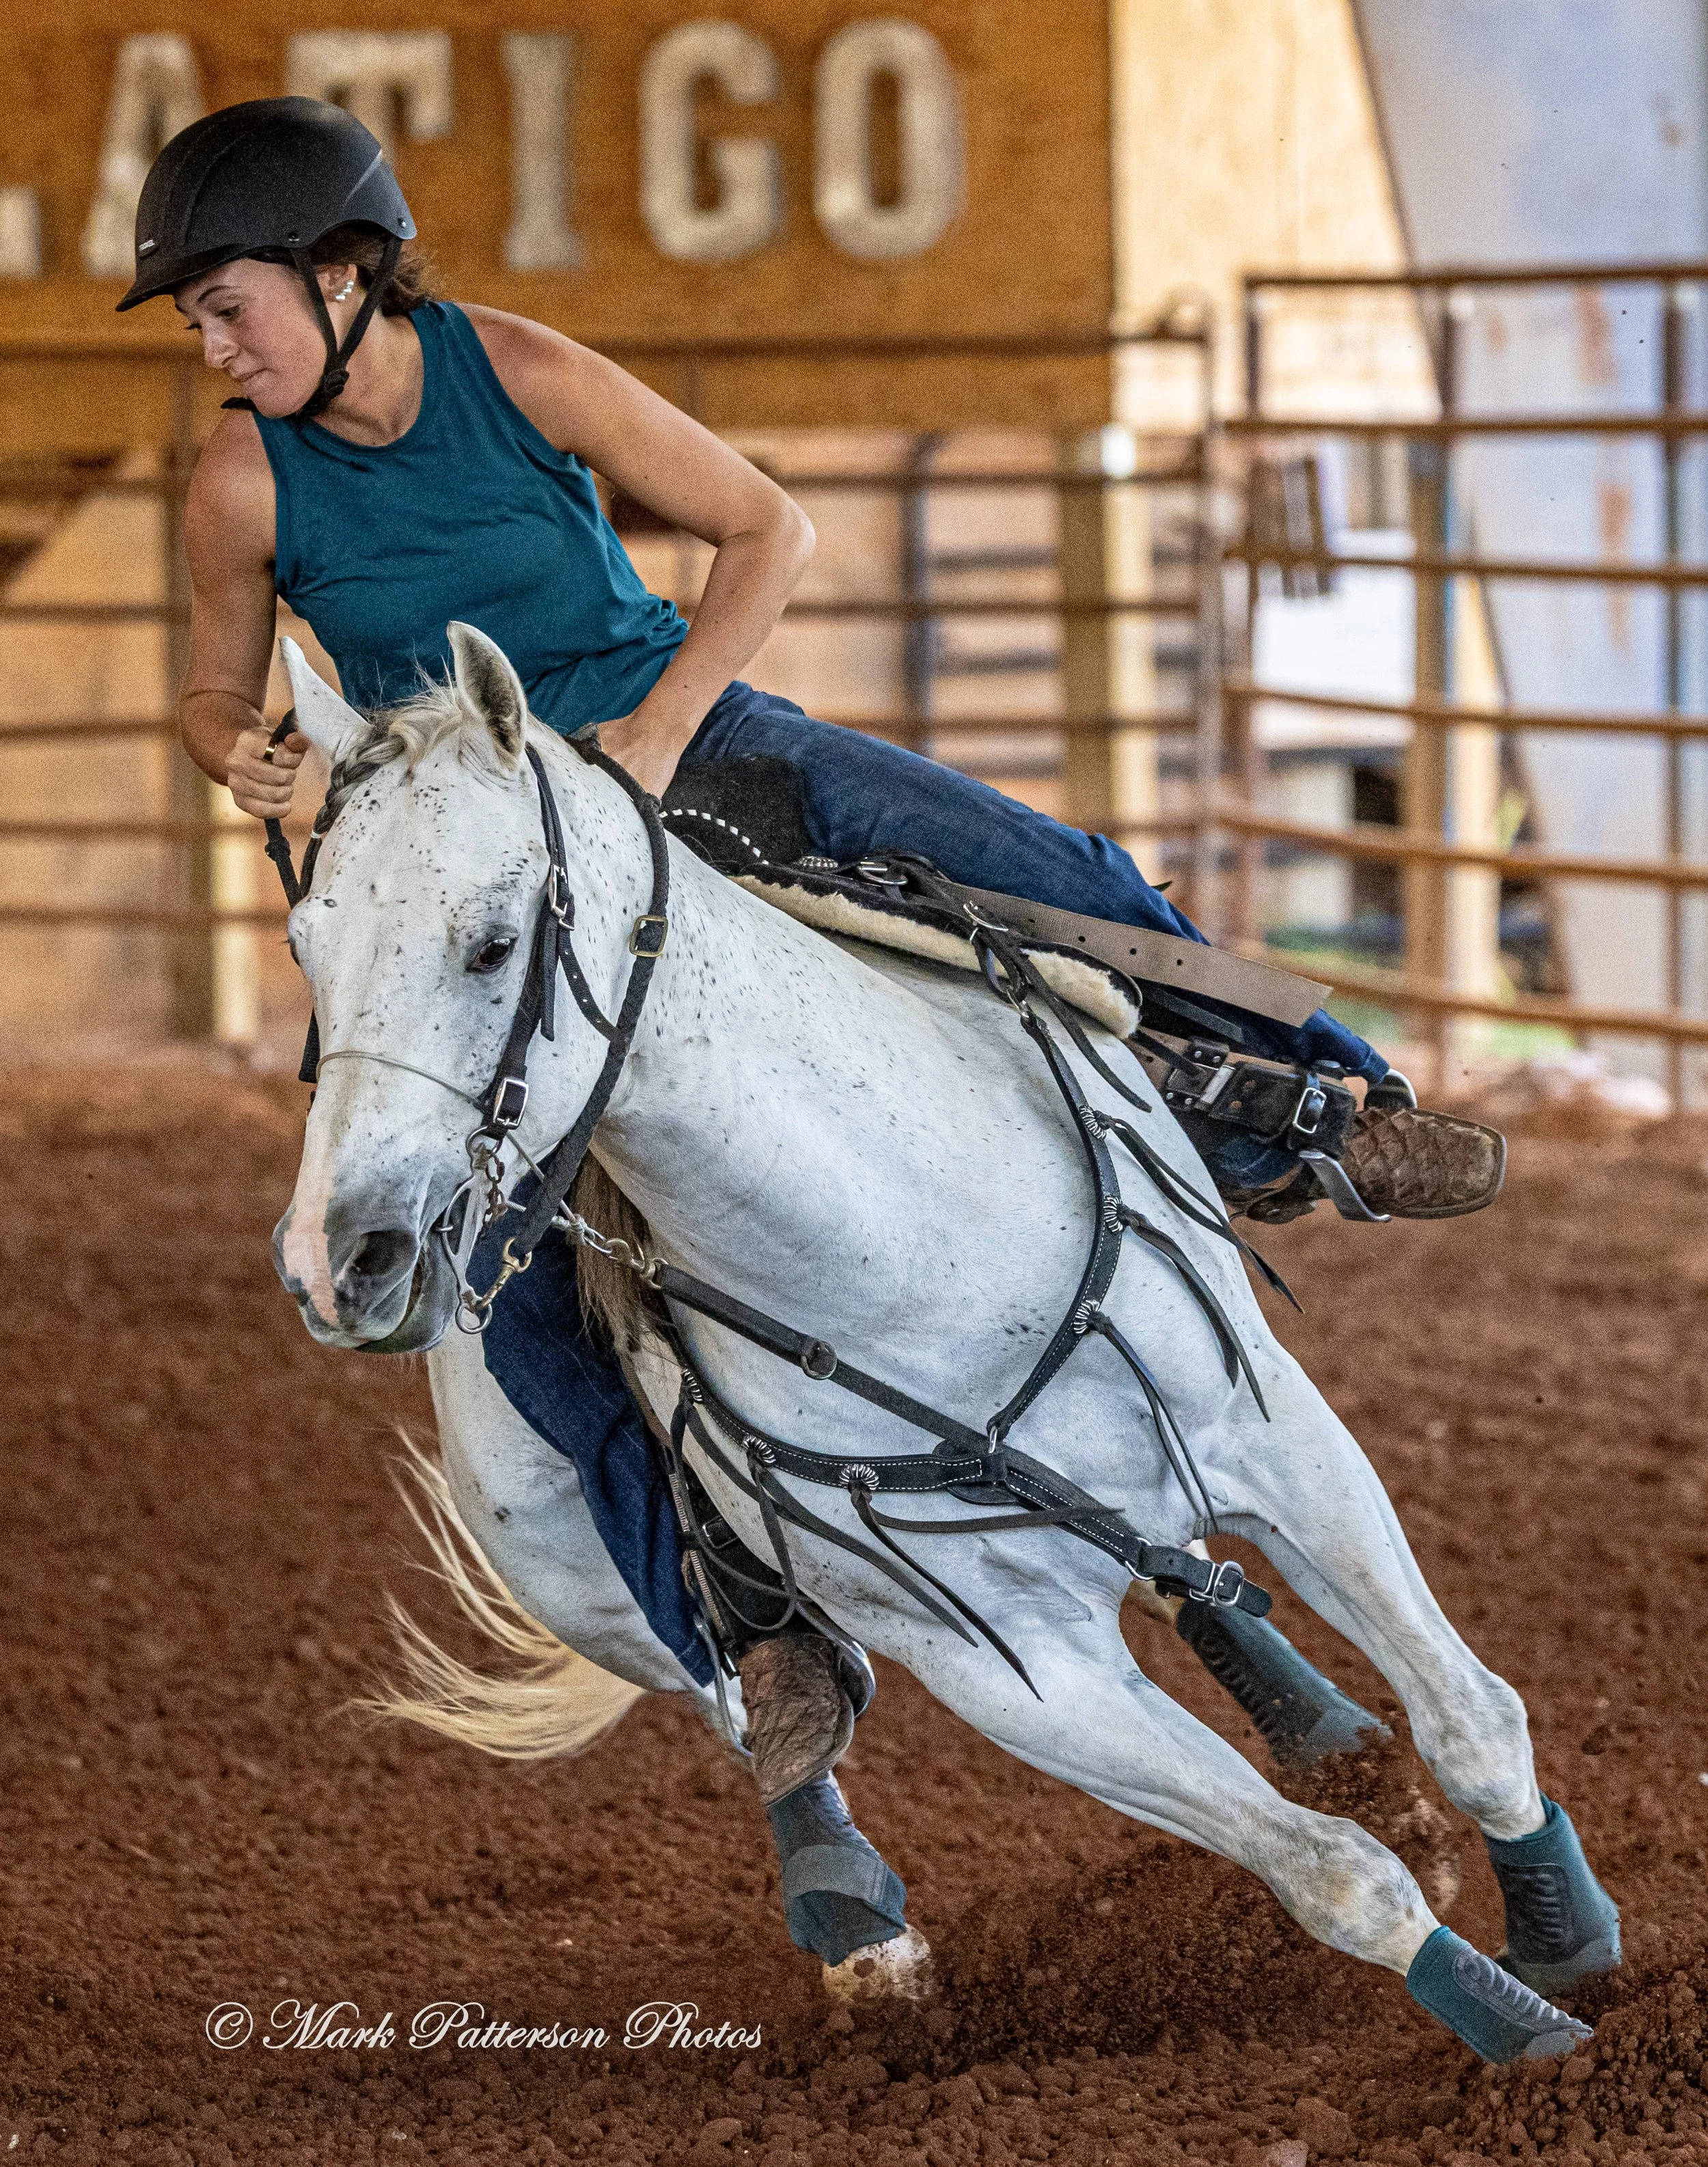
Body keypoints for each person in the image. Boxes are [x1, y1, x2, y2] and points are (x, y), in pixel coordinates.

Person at [120, 97, 1493, 1972]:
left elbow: (769, 528)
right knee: (496, 1286)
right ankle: (747, 1618)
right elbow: (209, 705)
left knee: (1036, 861)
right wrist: (253, 757)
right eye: (197, 317)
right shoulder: (238, 485)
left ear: (346, 276)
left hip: (667, 739)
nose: (215, 344)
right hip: (468, 872)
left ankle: (1298, 1104)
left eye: (227, 303)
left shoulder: (513, 371)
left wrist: (665, 731)